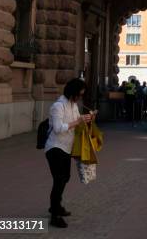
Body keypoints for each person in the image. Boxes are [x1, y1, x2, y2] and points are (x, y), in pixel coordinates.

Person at [44, 78, 94, 228]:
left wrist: (88, 119)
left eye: (82, 95)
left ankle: (56, 206)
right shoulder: (58, 106)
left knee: (65, 178)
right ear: (72, 92)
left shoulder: (73, 105)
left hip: (66, 148)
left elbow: (77, 124)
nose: (80, 97)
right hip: (54, 148)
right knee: (59, 180)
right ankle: (55, 215)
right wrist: (78, 122)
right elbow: (59, 128)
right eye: (79, 94)